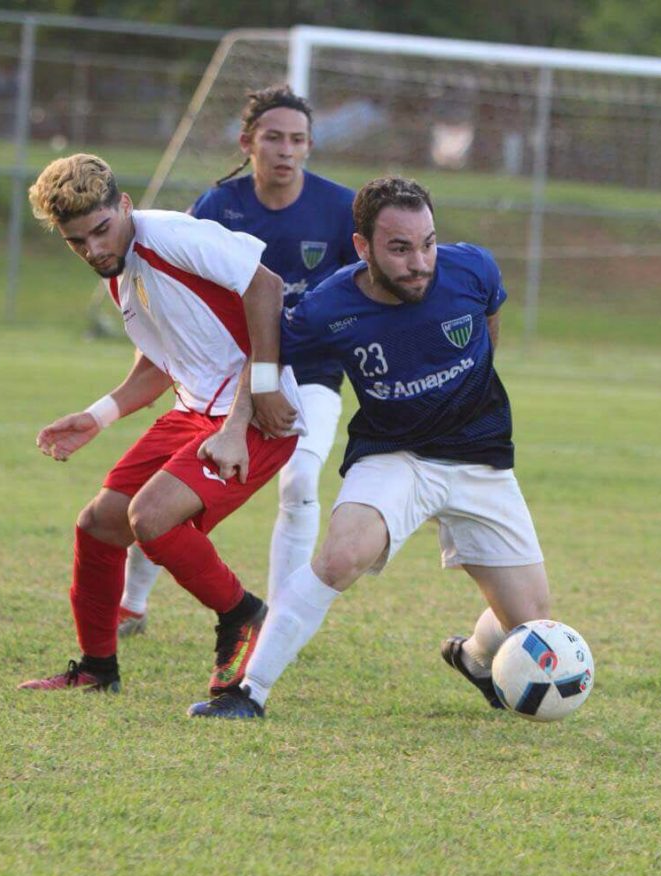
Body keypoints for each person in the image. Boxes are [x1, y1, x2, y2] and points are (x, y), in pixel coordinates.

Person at [187, 176, 551, 719]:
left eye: (427, 242)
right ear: (363, 247)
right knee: (341, 557)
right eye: (399, 248)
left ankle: (474, 658)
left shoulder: (473, 268)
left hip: (481, 459)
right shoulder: (327, 307)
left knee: (533, 625)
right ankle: (247, 692)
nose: (419, 262)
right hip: (394, 455)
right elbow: (267, 356)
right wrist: (238, 423)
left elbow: (489, 325)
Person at [18, 152, 304, 695]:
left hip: (258, 416)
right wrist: (99, 415)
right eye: (78, 241)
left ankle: (242, 615)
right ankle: (98, 670)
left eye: (102, 230)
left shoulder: (169, 235)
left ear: (124, 205)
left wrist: (253, 402)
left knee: (150, 518)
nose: (94, 248)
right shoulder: (117, 271)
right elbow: (160, 363)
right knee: (100, 524)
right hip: (195, 412)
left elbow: (266, 289)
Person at [118, 85, 358, 637]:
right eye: (273, 137)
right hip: (224, 378)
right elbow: (171, 298)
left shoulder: (341, 208)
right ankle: (131, 603)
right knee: (166, 487)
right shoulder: (217, 207)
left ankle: (280, 621)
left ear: (309, 146)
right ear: (247, 142)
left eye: (298, 140)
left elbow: (366, 289)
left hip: (310, 375)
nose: (286, 150)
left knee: (300, 483)